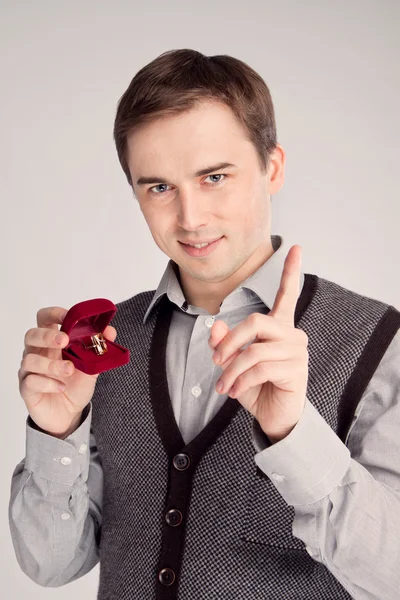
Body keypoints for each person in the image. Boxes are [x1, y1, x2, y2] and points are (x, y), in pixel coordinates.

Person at [9, 48, 400, 600]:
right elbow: (50, 566)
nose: (190, 218)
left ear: (273, 167)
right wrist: (57, 431)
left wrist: (294, 435)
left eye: (214, 176)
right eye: (159, 187)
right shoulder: (107, 340)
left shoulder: (379, 342)